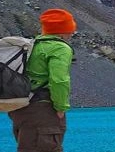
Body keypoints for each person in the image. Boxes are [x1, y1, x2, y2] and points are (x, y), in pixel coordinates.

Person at [9, 8, 76, 152]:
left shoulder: (32, 46)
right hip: (43, 111)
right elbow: (59, 80)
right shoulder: (59, 48)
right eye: (70, 28)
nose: (72, 32)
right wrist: (60, 107)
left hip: (21, 110)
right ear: (62, 30)